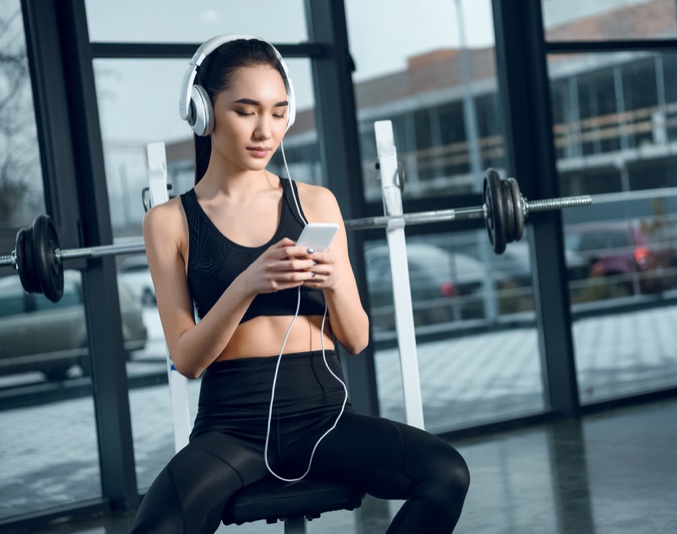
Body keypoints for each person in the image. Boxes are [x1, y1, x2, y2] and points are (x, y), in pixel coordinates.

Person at [131, 35, 470, 534]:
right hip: (233, 428)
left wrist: (334, 283)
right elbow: (187, 359)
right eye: (246, 111)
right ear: (204, 112)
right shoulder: (169, 221)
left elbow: (355, 339)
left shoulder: (316, 201)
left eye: (277, 112)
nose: (264, 130)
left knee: (446, 473)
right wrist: (248, 284)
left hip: (324, 418)